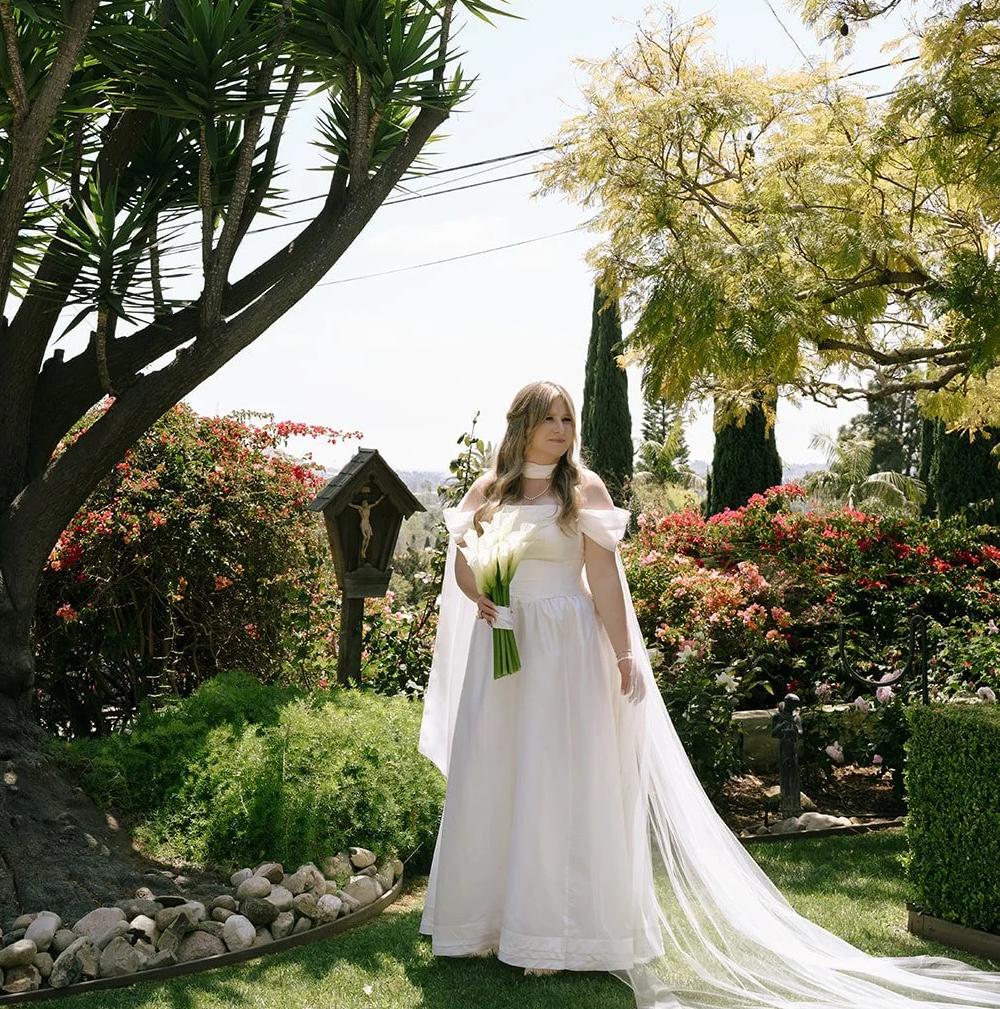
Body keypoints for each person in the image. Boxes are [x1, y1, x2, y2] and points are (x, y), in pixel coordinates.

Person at [419, 380, 1000, 1009]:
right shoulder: (488, 492)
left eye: (568, 418)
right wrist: (485, 594)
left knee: (558, 778)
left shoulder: (582, 492)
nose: (561, 429)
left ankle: (556, 934)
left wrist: (621, 653)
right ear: (523, 424)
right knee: (496, 773)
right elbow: (464, 565)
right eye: (549, 418)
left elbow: (605, 580)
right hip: (505, 648)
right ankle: (481, 926)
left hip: (565, 651)